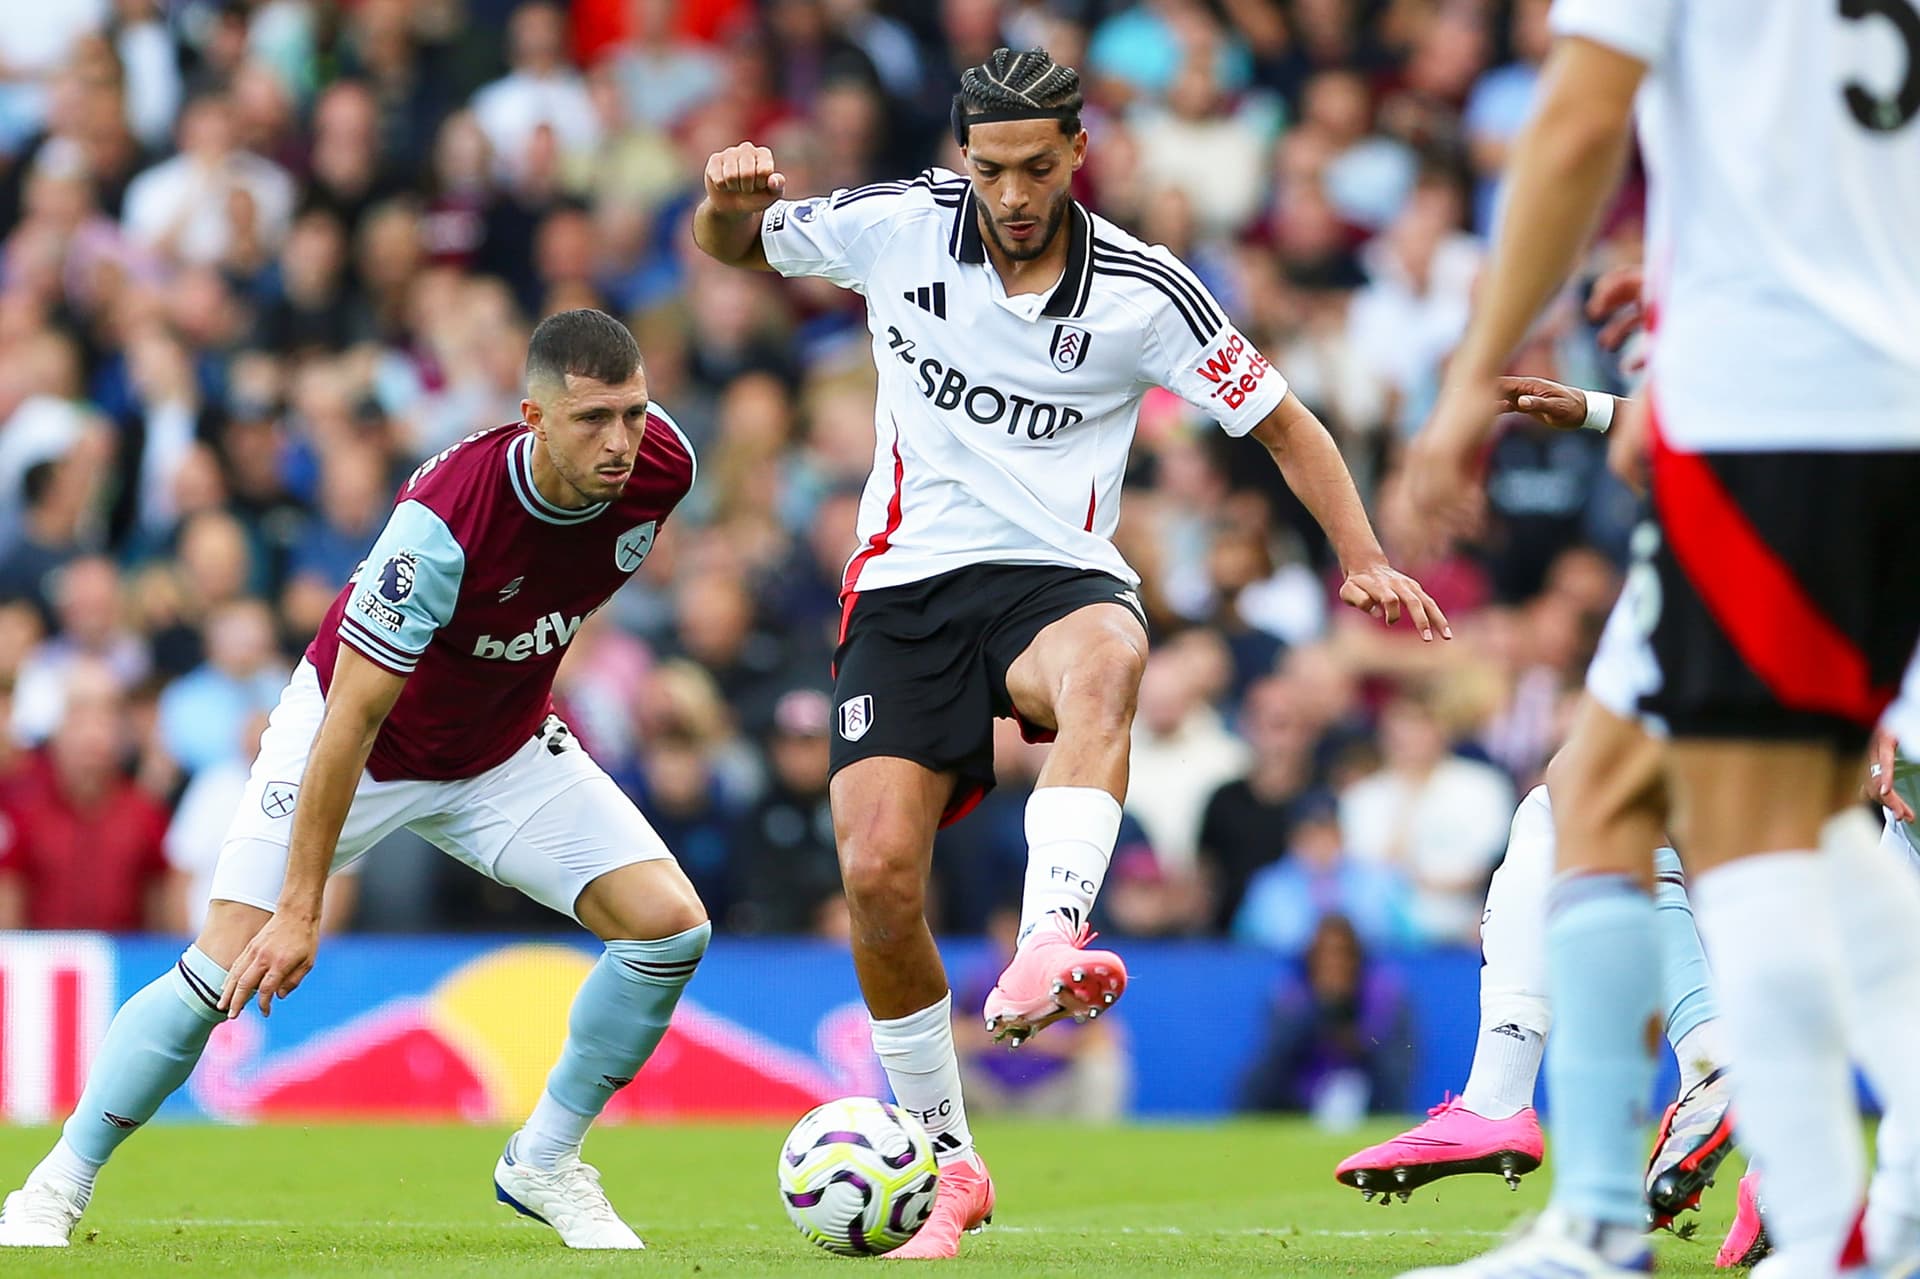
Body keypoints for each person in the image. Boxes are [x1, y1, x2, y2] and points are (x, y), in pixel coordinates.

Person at [694, 45, 1447, 1259]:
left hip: (1058, 575)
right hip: (905, 587)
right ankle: (948, 1163)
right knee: (879, 878)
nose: (1012, 194)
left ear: (1078, 156)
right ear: (962, 159)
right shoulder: (893, 226)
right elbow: (736, 250)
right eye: (990, 168)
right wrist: (725, 208)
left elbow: (1284, 420)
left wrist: (1358, 550)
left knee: (1110, 657)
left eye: (1037, 168)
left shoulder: (1146, 292)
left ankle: (1052, 933)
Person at [0, 310, 710, 1251]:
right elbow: (352, 719)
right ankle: (56, 1181)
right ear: (532, 415)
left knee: (670, 929)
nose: (620, 441)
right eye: (592, 420)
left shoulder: (667, 466)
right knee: (222, 964)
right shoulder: (443, 526)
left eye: (632, 412)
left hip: (498, 746)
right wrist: (301, 904)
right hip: (359, 741)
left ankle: (544, 1160)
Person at [1400, 2, 1920, 1275]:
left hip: (1778, 419)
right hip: (1822, 397)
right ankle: (1619, 1212)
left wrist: (1471, 374)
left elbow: (1579, 117)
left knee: (1757, 827)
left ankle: (1832, 1227)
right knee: (1606, 790)